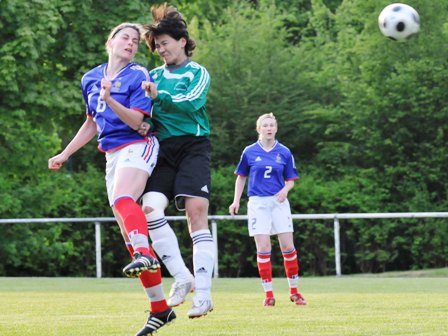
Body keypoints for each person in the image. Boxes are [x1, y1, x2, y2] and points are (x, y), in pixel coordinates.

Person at [48, 22, 175, 335]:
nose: (131, 43)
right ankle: (160, 309)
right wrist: (65, 153)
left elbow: (136, 122)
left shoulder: (138, 75)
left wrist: (111, 97)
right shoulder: (90, 77)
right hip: (112, 155)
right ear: (111, 41)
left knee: (123, 201)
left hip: (138, 145)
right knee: (131, 237)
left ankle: (146, 254)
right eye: (125, 38)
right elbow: (91, 122)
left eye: (135, 40)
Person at [138, 4, 214, 318]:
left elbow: (191, 102)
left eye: (165, 43)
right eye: (157, 46)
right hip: (162, 150)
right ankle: (182, 276)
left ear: (182, 41)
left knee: (196, 213)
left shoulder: (197, 73)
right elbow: (148, 114)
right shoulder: (153, 75)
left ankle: (205, 296)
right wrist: (145, 123)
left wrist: (160, 98)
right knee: (149, 209)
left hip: (194, 147)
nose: (161, 49)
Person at [228, 113, 307, 307]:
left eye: (272, 125)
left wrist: (285, 190)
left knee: (288, 247)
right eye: (265, 125)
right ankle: (269, 295)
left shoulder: (285, 152)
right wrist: (236, 201)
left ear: (276, 129)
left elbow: (291, 181)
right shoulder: (249, 151)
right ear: (259, 129)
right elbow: (241, 177)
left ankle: (295, 292)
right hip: (257, 204)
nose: (269, 128)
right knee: (263, 248)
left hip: (279, 203)